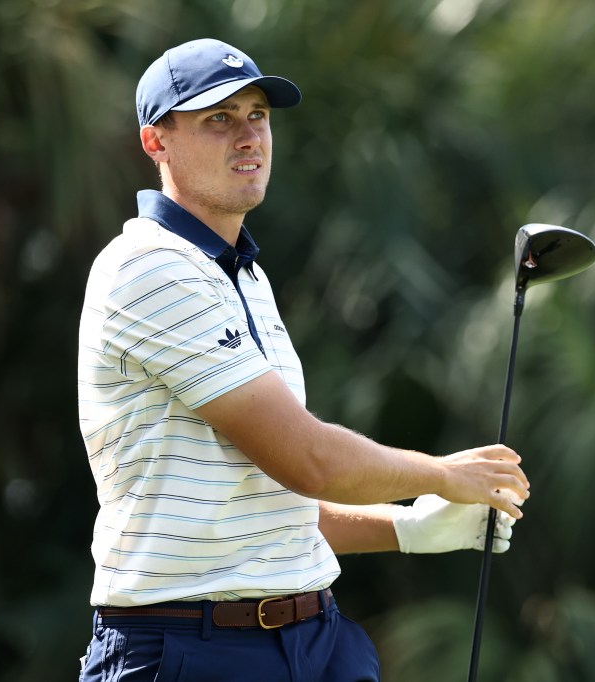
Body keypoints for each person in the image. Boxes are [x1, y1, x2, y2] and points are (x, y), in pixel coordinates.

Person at [76, 38, 530, 682]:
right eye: (218, 119)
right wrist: (441, 474)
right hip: (187, 648)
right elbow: (306, 458)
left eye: (257, 115)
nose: (247, 137)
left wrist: (406, 530)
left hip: (314, 641)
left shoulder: (243, 276)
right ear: (157, 142)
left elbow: (270, 499)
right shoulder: (148, 268)